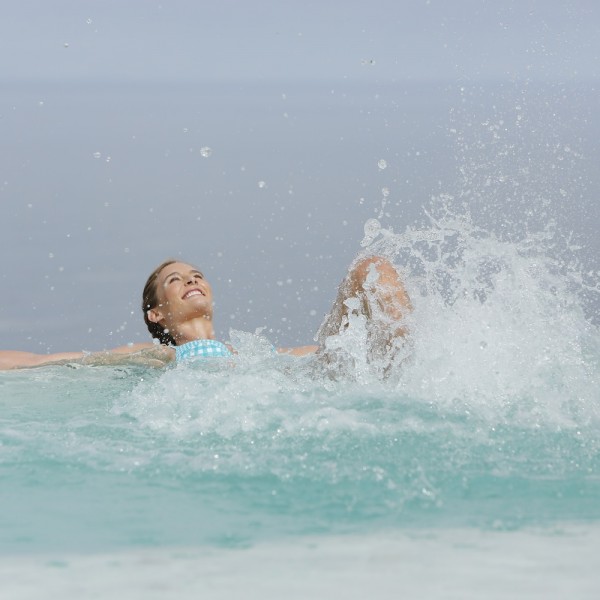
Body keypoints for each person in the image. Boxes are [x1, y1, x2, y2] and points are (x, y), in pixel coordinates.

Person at [0, 256, 411, 370]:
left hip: (274, 390)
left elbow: (321, 355)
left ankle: (409, 350)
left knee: (372, 269)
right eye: (175, 281)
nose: (191, 279)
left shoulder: (254, 354)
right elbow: (47, 361)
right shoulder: (158, 355)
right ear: (157, 314)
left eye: (196, 275)